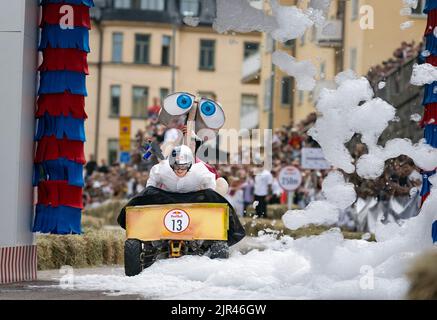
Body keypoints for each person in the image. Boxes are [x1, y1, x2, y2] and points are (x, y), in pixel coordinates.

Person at [146, 145, 216, 193]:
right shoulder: (163, 168)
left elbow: (211, 183)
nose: (179, 170)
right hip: (168, 198)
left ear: (190, 165)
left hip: (193, 199)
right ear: (171, 164)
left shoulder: (199, 171)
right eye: (176, 166)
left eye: (183, 166)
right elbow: (152, 181)